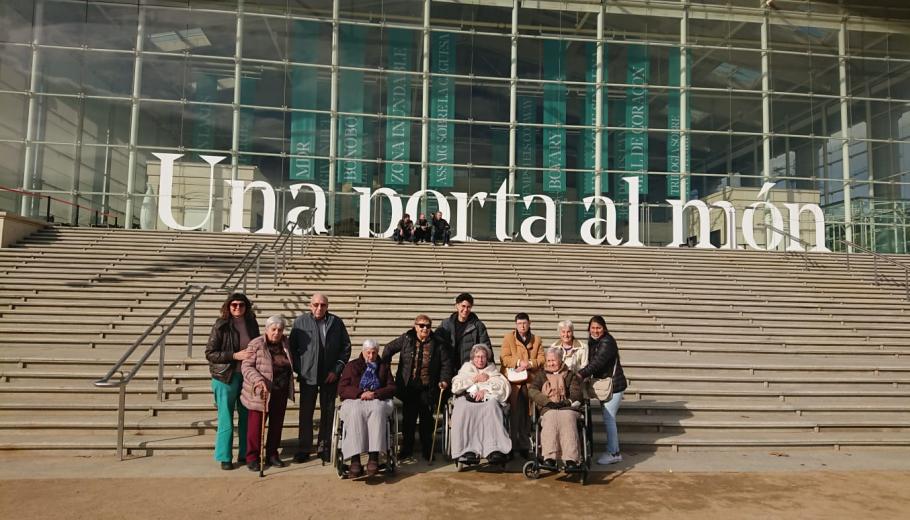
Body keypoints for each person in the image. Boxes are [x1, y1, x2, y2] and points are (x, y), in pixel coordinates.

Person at [289, 292, 352, 463]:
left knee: (328, 412)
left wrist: (336, 370)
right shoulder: (300, 323)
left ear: (327, 307)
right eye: (316, 304)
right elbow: (291, 349)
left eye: (323, 305)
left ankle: (324, 447)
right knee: (306, 413)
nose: (319, 308)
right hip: (307, 376)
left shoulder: (336, 322)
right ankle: (304, 448)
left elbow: (345, 347)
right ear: (310, 306)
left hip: (329, 376)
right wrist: (299, 369)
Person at [381, 314, 452, 460]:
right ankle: (407, 449)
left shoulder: (438, 343)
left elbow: (446, 364)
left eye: (427, 326)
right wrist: (385, 369)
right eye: (421, 325)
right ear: (415, 326)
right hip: (409, 387)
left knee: (426, 421)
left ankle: (427, 451)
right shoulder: (407, 338)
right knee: (409, 420)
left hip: (428, 387)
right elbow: (388, 348)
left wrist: (444, 380)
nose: (424, 329)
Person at [204, 292, 260, 470]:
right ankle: (225, 456)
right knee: (226, 417)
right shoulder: (221, 325)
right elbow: (210, 353)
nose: (237, 308)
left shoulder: (251, 324)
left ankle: (245, 453)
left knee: (246, 416)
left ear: (246, 306)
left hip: (246, 376)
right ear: (228, 306)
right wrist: (235, 355)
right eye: (234, 305)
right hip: (225, 377)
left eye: (241, 305)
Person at [241, 315, 295, 470]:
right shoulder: (256, 343)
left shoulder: (286, 343)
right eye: (273, 329)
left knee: (276, 425)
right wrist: (258, 380)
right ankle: (252, 457)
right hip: (261, 392)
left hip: (281, 390)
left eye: (280, 330)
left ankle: (272, 454)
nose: (276, 333)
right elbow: (246, 366)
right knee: (255, 427)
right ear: (267, 330)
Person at [337, 339, 396, 477]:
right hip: (356, 399)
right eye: (368, 353)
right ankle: (355, 459)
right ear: (363, 352)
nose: (371, 356)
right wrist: (360, 393)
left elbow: (392, 387)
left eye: (374, 353)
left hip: (377, 398)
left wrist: (376, 393)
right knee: (355, 412)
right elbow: (342, 388)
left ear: (377, 353)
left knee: (377, 411)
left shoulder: (383, 367)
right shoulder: (352, 366)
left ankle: (374, 457)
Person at [449, 344, 511, 464]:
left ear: (487, 358)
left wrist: (486, 390)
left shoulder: (492, 371)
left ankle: (494, 449)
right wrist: (474, 379)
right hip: (467, 400)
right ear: (472, 358)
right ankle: (466, 450)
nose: (480, 360)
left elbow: (503, 387)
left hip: (487, 401)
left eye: (483, 357)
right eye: (477, 357)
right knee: (462, 407)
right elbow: (455, 387)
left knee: (493, 405)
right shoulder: (466, 369)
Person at [578, 315, 627, 466]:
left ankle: (613, 453)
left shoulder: (607, 342)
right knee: (608, 418)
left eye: (598, 328)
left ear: (604, 328)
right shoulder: (593, 341)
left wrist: (580, 374)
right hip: (605, 386)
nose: (595, 330)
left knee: (609, 419)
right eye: (593, 328)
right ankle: (615, 451)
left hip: (614, 386)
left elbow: (597, 363)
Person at [528, 348, 586, 469]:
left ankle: (571, 459)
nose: (550, 363)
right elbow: (532, 391)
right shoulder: (541, 375)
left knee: (567, 418)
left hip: (568, 409)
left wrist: (566, 402)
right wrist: (547, 402)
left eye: (553, 360)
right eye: (548, 360)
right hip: (549, 408)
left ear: (560, 360)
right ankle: (549, 457)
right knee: (551, 418)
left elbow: (577, 393)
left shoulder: (570, 375)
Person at [499, 312, 544, 459]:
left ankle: (524, 445)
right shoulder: (508, 338)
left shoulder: (536, 339)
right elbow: (504, 358)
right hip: (513, 383)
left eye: (524, 323)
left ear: (529, 323)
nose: (522, 326)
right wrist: (518, 362)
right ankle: (510, 446)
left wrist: (529, 364)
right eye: (519, 323)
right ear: (516, 325)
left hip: (530, 381)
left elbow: (542, 358)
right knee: (513, 414)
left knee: (527, 414)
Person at [439, 292, 491, 368]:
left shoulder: (478, 326)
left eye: (468, 307)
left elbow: (486, 348)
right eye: (463, 306)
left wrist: (488, 369)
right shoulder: (446, 324)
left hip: (470, 368)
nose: (465, 310)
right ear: (456, 306)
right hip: (449, 367)